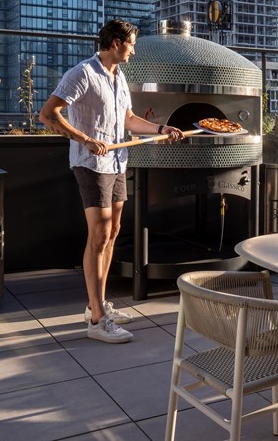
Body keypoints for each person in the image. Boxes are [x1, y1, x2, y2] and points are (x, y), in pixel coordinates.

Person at [39, 20, 184, 343]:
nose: (134, 50)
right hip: (91, 164)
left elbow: (128, 120)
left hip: (117, 162)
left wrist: (162, 129)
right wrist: (85, 139)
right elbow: (48, 114)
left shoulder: (119, 76)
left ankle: (99, 303)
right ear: (116, 43)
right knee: (99, 235)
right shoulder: (83, 74)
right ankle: (96, 318)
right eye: (132, 44)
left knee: (113, 232)